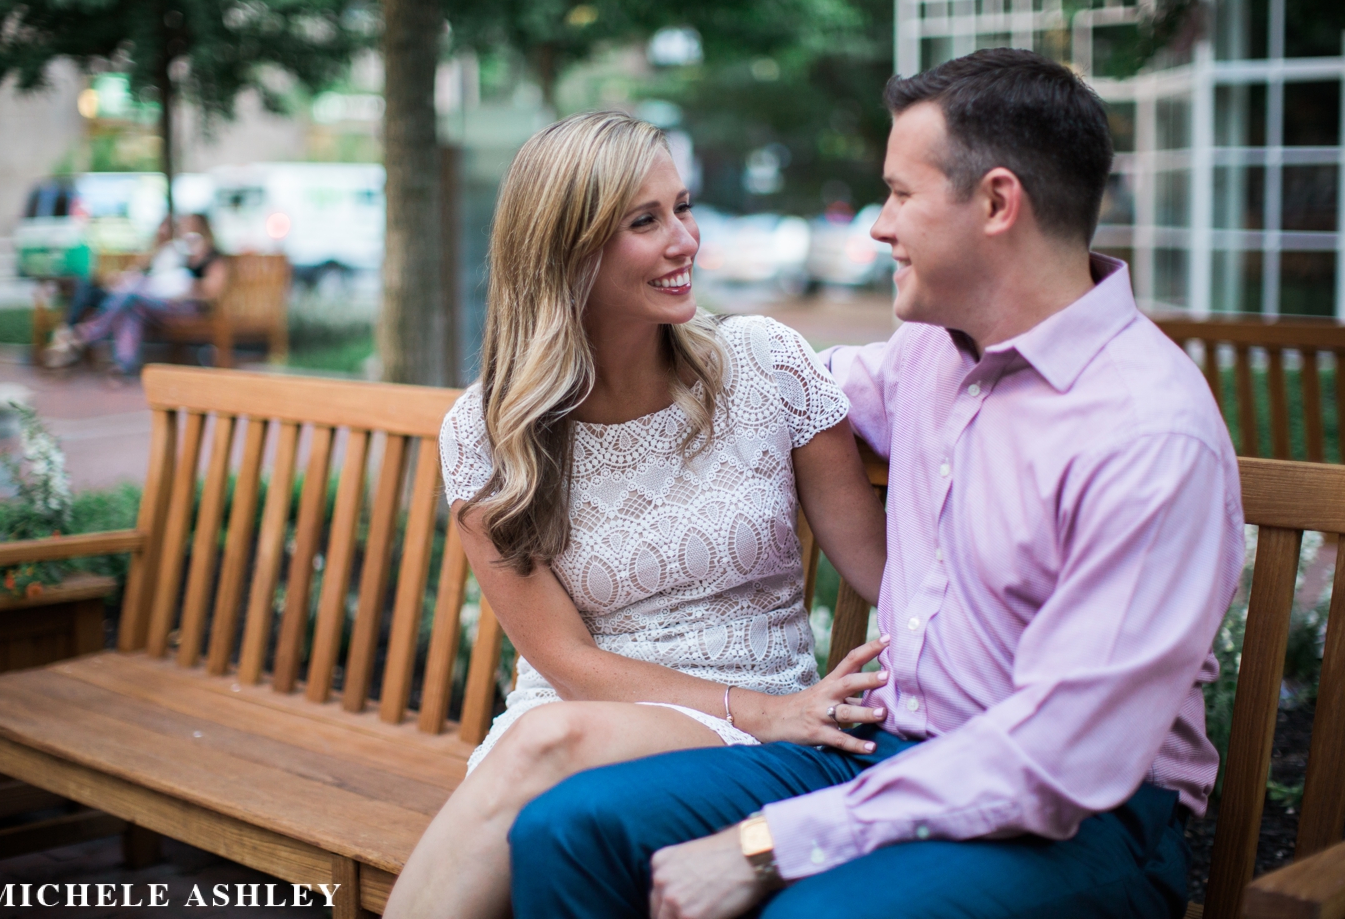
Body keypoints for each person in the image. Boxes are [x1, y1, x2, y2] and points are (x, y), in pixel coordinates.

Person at [506, 49, 1247, 919]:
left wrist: (768, 843)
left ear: (998, 203)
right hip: (883, 749)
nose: (877, 228)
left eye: (900, 194)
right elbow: (764, 389)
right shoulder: (934, 350)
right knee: (568, 828)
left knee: (811, 915)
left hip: (1077, 816)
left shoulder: (1146, 434)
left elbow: (1058, 761)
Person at [382, 112, 890, 919]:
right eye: (644, 221)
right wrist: (766, 714)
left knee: (545, 755)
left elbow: (882, 573)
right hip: (587, 719)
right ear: (566, 250)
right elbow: (566, 662)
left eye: (681, 208)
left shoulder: (764, 365)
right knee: (545, 747)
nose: (684, 239)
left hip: (753, 728)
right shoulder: (490, 431)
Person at [45, 213, 226, 373]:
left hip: (186, 307)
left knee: (131, 296)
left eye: (190, 226)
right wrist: (159, 249)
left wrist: (185, 286)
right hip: (155, 302)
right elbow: (139, 272)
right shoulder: (178, 252)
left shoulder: (212, 256)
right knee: (132, 306)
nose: (186, 231)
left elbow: (211, 290)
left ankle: (84, 335)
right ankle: (123, 365)